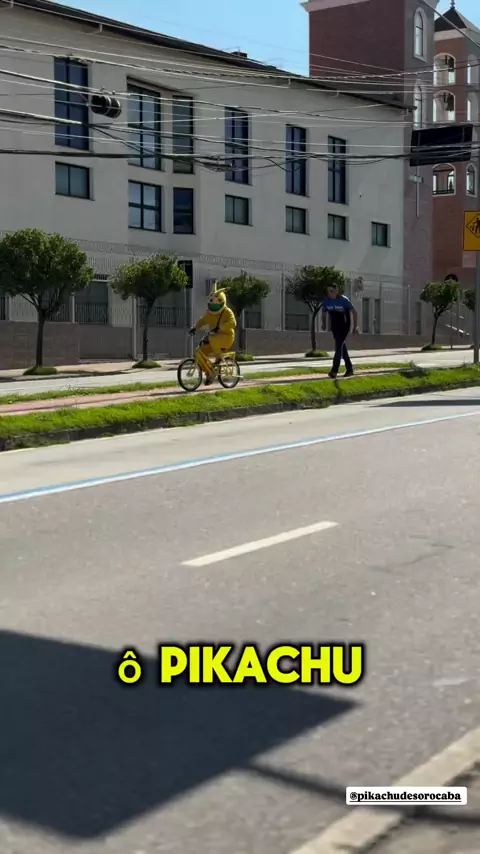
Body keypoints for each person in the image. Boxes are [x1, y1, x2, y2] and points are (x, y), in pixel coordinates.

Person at [189, 286, 236, 385]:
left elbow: (233, 323)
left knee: (212, 338)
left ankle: (218, 358)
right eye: (212, 304)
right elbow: (202, 320)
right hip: (214, 338)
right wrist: (195, 327)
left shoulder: (227, 312)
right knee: (201, 352)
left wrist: (220, 327)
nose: (214, 307)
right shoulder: (209, 313)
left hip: (226, 337)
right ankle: (210, 373)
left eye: (217, 305)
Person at [321, 284, 359, 378]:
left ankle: (334, 370)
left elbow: (354, 312)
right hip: (334, 326)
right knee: (341, 347)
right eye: (328, 291)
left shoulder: (343, 300)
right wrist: (324, 323)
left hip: (344, 325)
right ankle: (349, 369)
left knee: (338, 347)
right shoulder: (326, 301)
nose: (330, 293)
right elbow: (324, 312)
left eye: (332, 291)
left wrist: (355, 327)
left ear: (336, 291)